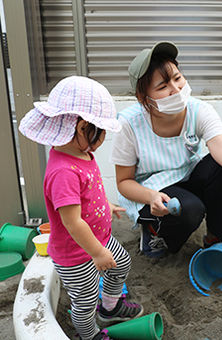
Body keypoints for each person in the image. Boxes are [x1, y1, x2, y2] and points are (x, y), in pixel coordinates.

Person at [111, 41, 222, 262]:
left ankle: (217, 238)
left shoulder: (199, 111)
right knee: (190, 211)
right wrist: (151, 196)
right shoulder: (129, 124)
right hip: (152, 192)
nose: (176, 89)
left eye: (177, 78)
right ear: (144, 99)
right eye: (163, 87)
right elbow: (124, 182)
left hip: (187, 178)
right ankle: (153, 232)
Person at [18, 76, 143, 340]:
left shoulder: (83, 153)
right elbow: (72, 222)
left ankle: (109, 308)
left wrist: (103, 204)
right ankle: (90, 335)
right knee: (85, 302)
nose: (103, 139)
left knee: (121, 264)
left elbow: (86, 194)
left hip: (99, 238)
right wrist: (97, 254)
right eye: (101, 133)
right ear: (83, 126)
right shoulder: (62, 171)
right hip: (76, 254)